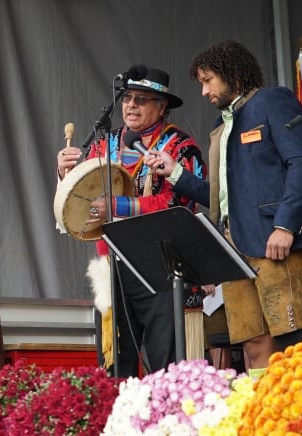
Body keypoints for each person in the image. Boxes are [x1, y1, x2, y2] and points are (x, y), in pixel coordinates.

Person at [146, 40, 302, 379]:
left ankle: (297, 413)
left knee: (289, 338)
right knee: (252, 342)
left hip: (273, 240)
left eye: (209, 80)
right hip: (233, 247)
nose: (204, 90)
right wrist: (175, 172)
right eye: (201, 83)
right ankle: (259, 414)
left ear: (233, 75)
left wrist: (285, 225)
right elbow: (221, 195)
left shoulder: (271, 101)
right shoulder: (223, 125)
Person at [56, 67, 206, 378]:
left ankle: (164, 421)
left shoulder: (181, 146)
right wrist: (64, 174)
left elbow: (179, 205)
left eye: (141, 99)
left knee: (165, 364)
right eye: (127, 98)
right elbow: (81, 196)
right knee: (114, 366)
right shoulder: (103, 143)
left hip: (162, 267)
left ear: (161, 106)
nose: (131, 105)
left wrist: (118, 205)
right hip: (112, 265)